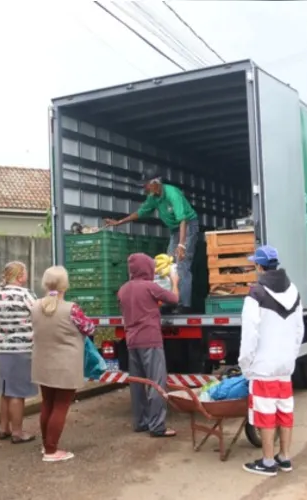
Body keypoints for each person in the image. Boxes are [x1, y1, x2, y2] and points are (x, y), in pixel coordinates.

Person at [238, 246, 303, 477]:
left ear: (259, 267)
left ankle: (267, 462)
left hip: (263, 367)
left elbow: (249, 335)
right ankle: (284, 458)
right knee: (285, 411)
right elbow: (299, 331)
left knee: (265, 414)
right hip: (285, 366)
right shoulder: (294, 291)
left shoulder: (256, 294)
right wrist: (290, 358)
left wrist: (246, 365)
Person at [104, 168, 199, 313]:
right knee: (167, 265)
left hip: (187, 226)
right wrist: (118, 222)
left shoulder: (172, 194)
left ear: (156, 182)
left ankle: (184, 305)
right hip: (175, 230)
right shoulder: (154, 197)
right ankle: (170, 300)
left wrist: (181, 244)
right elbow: (140, 213)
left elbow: (183, 219)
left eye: (146, 184)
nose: (144, 188)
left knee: (181, 264)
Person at [30, 266, 96, 462]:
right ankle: (51, 451)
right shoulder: (72, 309)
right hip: (66, 365)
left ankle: (46, 444)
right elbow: (89, 328)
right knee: (61, 406)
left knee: (47, 404)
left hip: (42, 362)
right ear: (65, 285)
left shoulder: (34, 306)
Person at [117, 253, 180, 437]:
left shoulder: (123, 289)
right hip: (150, 340)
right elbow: (175, 299)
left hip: (131, 341)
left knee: (137, 384)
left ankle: (140, 422)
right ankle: (157, 426)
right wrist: (174, 281)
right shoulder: (150, 287)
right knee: (156, 383)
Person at [0, 261, 39, 444]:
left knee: (6, 390)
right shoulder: (25, 294)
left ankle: (4, 428)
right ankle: (18, 433)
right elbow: (38, 315)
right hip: (23, 348)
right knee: (18, 393)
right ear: (20, 276)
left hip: (4, 347)